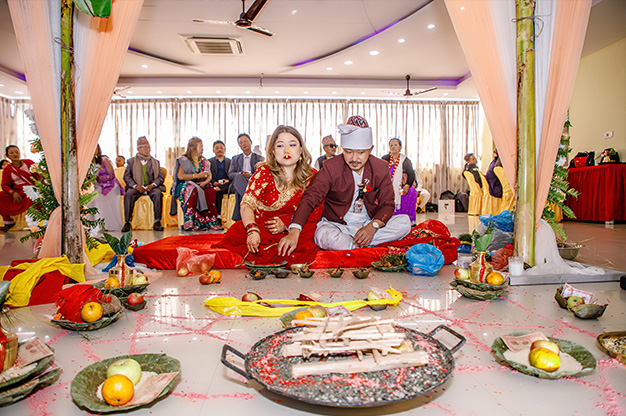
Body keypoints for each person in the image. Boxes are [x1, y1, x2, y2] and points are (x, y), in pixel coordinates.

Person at [278, 116, 411, 254]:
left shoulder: (380, 167)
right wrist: (294, 231)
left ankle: (355, 246)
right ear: (342, 149)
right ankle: (363, 246)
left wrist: (373, 226)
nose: (354, 158)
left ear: (370, 149)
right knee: (323, 235)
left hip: (369, 223)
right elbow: (310, 198)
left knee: (404, 222)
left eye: (360, 152)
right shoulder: (331, 167)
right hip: (337, 226)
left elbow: (388, 203)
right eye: (348, 152)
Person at [219, 125, 321, 265]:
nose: (287, 150)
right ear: (273, 150)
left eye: (292, 144)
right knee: (238, 233)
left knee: (312, 234)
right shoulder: (263, 172)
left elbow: (316, 211)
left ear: (301, 149)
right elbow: (247, 204)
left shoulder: (312, 176)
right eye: (280, 146)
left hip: (298, 228)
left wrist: (288, 224)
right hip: (263, 227)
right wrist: (252, 230)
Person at [169, 137, 220, 231]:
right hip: (185, 184)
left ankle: (209, 222)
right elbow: (181, 176)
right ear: (192, 148)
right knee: (192, 189)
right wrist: (196, 176)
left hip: (201, 184)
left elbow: (209, 176)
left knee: (211, 190)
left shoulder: (204, 161)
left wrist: (204, 183)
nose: (202, 149)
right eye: (200, 147)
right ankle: (189, 222)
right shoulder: (184, 160)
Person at [122, 136, 166, 232]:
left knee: (158, 194)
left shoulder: (155, 162)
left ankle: (157, 222)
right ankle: (127, 223)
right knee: (129, 194)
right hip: (136, 187)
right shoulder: (131, 162)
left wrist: (152, 185)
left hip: (151, 187)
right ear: (138, 148)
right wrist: (135, 186)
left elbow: (160, 178)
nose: (147, 150)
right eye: (145, 147)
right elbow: (127, 177)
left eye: (149, 147)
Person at [0, 145, 37, 231]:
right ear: (7, 156)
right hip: (18, 191)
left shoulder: (29, 163)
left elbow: (38, 174)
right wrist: (13, 193)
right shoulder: (7, 169)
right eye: (11, 153)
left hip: (31, 189)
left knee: (36, 196)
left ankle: (38, 224)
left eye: (17, 152)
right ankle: (8, 221)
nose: (15, 154)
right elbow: (5, 185)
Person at [381, 138, 418, 224]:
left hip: (400, 185)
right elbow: (379, 172)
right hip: (387, 184)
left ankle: (408, 220)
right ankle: (386, 219)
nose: (393, 147)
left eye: (395, 145)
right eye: (391, 145)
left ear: (400, 147)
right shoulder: (385, 158)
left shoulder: (405, 160)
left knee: (412, 191)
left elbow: (411, 174)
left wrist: (407, 185)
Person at [228, 133, 264, 222]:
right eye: (241, 142)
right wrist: (242, 173)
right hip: (239, 182)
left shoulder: (259, 158)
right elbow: (230, 174)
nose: (243, 144)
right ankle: (250, 199)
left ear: (250, 142)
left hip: (254, 183)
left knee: (240, 190)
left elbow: (262, 173)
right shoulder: (235, 159)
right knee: (239, 177)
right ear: (239, 145)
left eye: (245, 141)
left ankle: (238, 219)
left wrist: (251, 176)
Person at [89, 145, 125, 231]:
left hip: (110, 186)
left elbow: (112, 175)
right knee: (91, 198)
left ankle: (105, 225)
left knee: (98, 198)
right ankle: (94, 224)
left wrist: (99, 179)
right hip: (97, 186)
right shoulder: (89, 162)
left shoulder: (104, 160)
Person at [208, 140, 231, 214]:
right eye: (217, 148)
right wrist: (214, 182)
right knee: (217, 192)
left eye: (221, 148)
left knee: (230, 183)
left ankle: (219, 188)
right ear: (213, 150)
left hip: (227, 184)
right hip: (215, 184)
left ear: (224, 149)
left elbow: (232, 175)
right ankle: (218, 214)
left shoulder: (230, 162)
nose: (219, 150)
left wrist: (227, 181)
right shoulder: (209, 162)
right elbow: (208, 175)